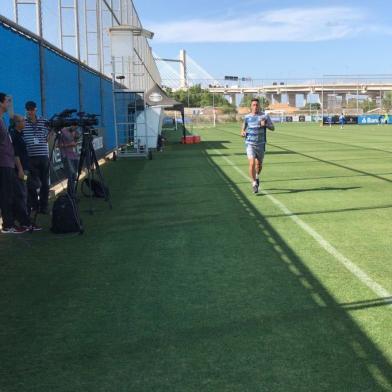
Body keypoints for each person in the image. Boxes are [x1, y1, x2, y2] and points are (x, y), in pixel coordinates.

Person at [0, 93, 27, 234]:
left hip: (7, 163)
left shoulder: (3, 119)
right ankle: (7, 225)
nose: (9, 104)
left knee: (9, 194)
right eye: (7, 101)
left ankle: (10, 223)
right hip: (3, 163)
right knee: (6, 195)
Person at [10, 114, 41, 231]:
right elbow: (15, 154)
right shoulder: (14, 136)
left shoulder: (20, 135)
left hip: (26, 169)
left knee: (29, 192)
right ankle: (25, 222)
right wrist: (21, 170)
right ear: (17, 123)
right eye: (22, 120)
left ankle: (26, 220)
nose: (25, 122)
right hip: (21, 170)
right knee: (22, 195)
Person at [241, 98, 274, 194]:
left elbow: (273, 128)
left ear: (259, 106)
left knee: (259, 166)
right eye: (254, 105)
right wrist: (242, 132)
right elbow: (243, 128)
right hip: (250, 143)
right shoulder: (247, 117)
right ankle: (254, 183)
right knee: (251, 163)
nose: (255, 106)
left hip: (261, 144)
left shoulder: (265, 116)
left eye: (257, 105)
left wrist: (266, 125)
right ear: (251, 106)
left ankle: (256, 176)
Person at [22, 100, 50, 215]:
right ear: (26, 110)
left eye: (32, 109)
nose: (30, 111)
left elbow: (50, 130)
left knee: (45, 183)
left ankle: (44, 206)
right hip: (30, 158)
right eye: (28, 109)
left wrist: (47, 137)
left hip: (43, 156)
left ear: (36, 109)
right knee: (32, 184)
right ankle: (35, 205)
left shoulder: (43, 120)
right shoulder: (23, 122)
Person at [59, 123, 80, 196]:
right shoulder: (63, 131)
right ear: (71, 124)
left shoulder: (76, 132)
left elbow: (76, 142)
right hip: (66, 156)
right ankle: (72, 195)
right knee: (71, 174)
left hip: (74, 156)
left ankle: (70, 193)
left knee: (74, 176)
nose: (75, 128)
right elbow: (58, 145)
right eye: (74, 126)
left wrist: (75, 141)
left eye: (76, 127)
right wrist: (69, 145)